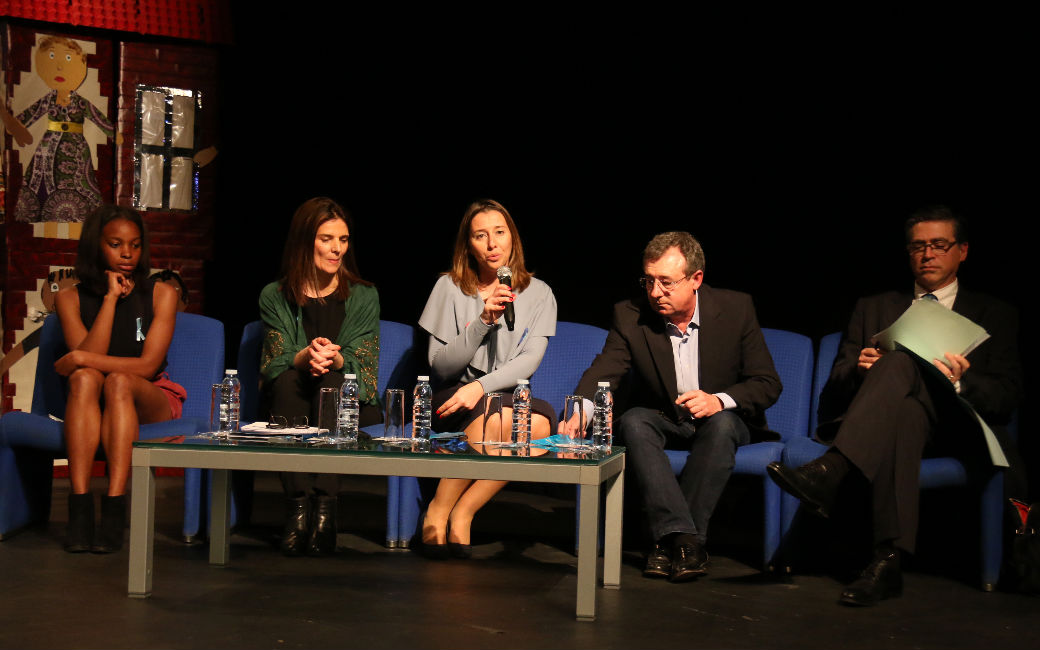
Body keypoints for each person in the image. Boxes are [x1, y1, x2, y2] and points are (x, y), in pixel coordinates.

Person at [767, 205, 1023, 606]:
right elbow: (837, 378)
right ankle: (887, 561)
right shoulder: (874, 306)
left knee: (901, 362)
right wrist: (861, 368)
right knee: (903, 400)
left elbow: (1007, 396)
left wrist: (962, 381)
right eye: (918, 246)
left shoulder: (997, 314)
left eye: (939, 245)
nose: (928, 254)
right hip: (896, 422)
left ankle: (832, 468)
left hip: (957, 430)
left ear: (963, 251)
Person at [568, 231, 781, 582]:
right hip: (668, 419)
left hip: (722, 420)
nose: (654, 293)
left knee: (723, 425)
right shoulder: (630, 315)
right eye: (648, 281)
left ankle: (666, 545)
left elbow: (767, 382)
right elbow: (605, 371)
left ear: (696, 279)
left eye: (666, 283)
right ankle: (685, 541)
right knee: (633, 421)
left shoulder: (736, 309)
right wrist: (581, 411)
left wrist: (717, 401)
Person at [417, 199, 557, 558]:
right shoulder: (448, 287)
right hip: (453, 394)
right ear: (469, 245)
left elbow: (529, 361)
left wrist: (481, 387)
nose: (493, 244)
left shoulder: (539, 294)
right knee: (497, 419)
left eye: (500, 233)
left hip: (506, 394)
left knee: (537, 425)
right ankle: (438, 513)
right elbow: (441, 367)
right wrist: (483, 321)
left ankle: (460, 510)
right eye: (481, 235)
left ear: (513, 239)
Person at [54, 204, 184, 553]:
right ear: (96, 245)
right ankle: (79, 509)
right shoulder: (68, 298)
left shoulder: (162, 294)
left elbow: (147, 366)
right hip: (94, 398)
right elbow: (86, 368)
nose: (127, 253)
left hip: (150, 395)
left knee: (118, 381)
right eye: (115, 244)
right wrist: (110, 300)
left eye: (135, 244)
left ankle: (114, 505)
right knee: (84, 379)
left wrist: (81, 356)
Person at [259, 197, 381, 556]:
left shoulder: (364, 295)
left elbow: (366, 367)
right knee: (286, 382)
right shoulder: (275, 295)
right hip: (293, 395)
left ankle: (325, 508)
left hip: (349, 401)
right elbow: (274, 361)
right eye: (327, 239)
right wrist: (305, 355)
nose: (337, 249)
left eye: (343, 240)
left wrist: (336, 358)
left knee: (331, 385)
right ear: (304, 240)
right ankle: (297, 508)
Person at [0, 36, 121, 222]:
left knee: (79, 180)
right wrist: (12, 122)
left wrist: (114, 134)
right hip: (47, 148)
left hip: (76, 147)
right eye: (51, 57)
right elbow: (30, 115)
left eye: (68, 59)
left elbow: (97, 116)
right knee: (40, 182)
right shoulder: (49, 99)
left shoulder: (79, 101)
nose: (59, 67)